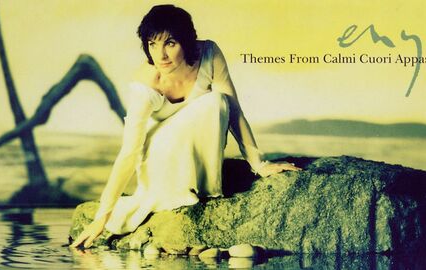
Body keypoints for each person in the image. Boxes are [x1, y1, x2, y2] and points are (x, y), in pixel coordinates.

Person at [72, 4, 300, 249]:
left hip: (192, 146)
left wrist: (259, 164)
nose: (161, 55)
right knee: (213, 102)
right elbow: (129, 152)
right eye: (152, 44)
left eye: (170, 43)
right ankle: (174, 191)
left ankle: (206, 187)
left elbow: (233, 111)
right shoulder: (145, 84)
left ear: (187, 40)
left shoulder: (209, 54)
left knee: (217, 102)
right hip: (158, 155)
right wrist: (102, 217)